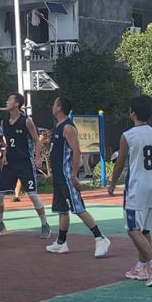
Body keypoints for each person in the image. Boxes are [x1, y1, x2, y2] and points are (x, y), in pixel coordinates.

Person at [108, 96, 152, 287]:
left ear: (132, 113)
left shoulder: (128, 136)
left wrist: (112, 184)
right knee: (145, 229)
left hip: (136, 188)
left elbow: (119, 163)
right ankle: (141, 267)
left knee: (133, 229)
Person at [46, 97, 111, 257]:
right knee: (62, 210)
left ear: (60, 108)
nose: (52, 107)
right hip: (58, 177)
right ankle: (61, 242)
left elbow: (77, 151)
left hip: (67, 176)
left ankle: (100, 238)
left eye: (54, 104)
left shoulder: (68, 128)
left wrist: (74, 174)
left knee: (78, 208)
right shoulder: (57, 126)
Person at [0, 93, 51, 239]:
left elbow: (36, 140)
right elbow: (6, 141)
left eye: (9, 100)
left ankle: (45, 224)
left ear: (17, 104)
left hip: (25, 163)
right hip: (10, 164)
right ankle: (0, 224)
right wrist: (4, 154)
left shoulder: (26, 121)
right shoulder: (5, 122)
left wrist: (38, 158)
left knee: (32, 195)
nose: (7, 102)